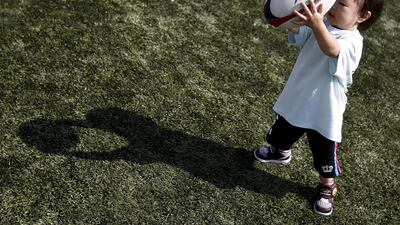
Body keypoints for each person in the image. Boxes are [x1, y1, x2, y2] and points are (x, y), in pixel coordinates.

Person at [254, 0, 384, 216]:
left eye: (341, 4)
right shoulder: (321, 22)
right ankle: (280, 152)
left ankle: (327, 186)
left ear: (362, 16)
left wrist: (317, 25)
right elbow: (299, 34)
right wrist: (289, 18)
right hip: (300, 95)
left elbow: (331, 49)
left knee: (323, 152)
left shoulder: (353, 42)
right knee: (283, 129)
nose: (332, 6)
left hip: (325, 111)